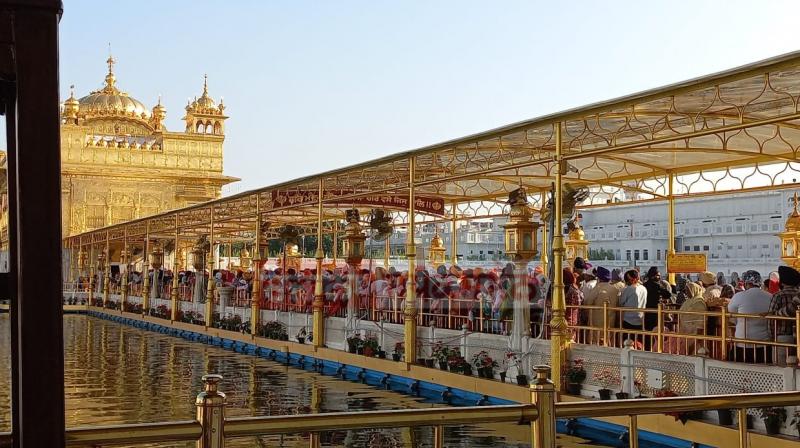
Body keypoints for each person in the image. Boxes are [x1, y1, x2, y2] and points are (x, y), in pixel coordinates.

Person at [728, 270, 772, 363]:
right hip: (764, 344)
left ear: (746, 283)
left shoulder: (738, 296)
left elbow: (731, 314)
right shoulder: (770, 296)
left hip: (743, 343)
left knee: (740, 372)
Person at [767, 265, 800, 365]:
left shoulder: (778, 295)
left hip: (782, 337)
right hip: (798, 336)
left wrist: (771, 337)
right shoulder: (797, 294)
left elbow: (771, 318)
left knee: (780, 367)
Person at [582, 266, 619, 344]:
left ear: (599, 278)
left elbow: (588, 302)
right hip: (610, 320)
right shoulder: (615, 289)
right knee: (608, 340)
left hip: (597, 321)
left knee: (596, 341)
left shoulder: (597, 288)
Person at [618, 269, 648, 347]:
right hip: (640, 319)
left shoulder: (628, 289)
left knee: (627, 343)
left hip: (628, 319)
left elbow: (621, 302)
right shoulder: (643, 288)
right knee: (638, 343)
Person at [643, 267, 671, 332]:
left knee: (647, 331)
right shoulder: (657, 286)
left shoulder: (644, 285)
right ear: (653, 276)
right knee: (655, 330)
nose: (659, 277)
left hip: (646, 311)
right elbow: (668, 294)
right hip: (655, 312)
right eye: (658, 275)